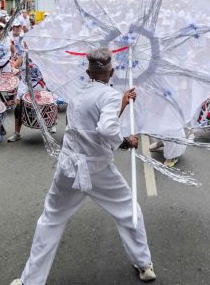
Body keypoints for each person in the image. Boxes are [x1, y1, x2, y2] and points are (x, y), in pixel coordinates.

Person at [10, 48, 155, 285]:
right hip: (98, 169)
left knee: (51, 220)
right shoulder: (108, 95)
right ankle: (144, 263)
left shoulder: (78, 93)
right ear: (112, 72)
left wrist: (122, 103)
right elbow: (106, 129)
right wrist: (126, 142)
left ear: (88, 72)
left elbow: (92, 123)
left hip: (70, 167)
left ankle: (30, 281)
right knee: (130, 211)